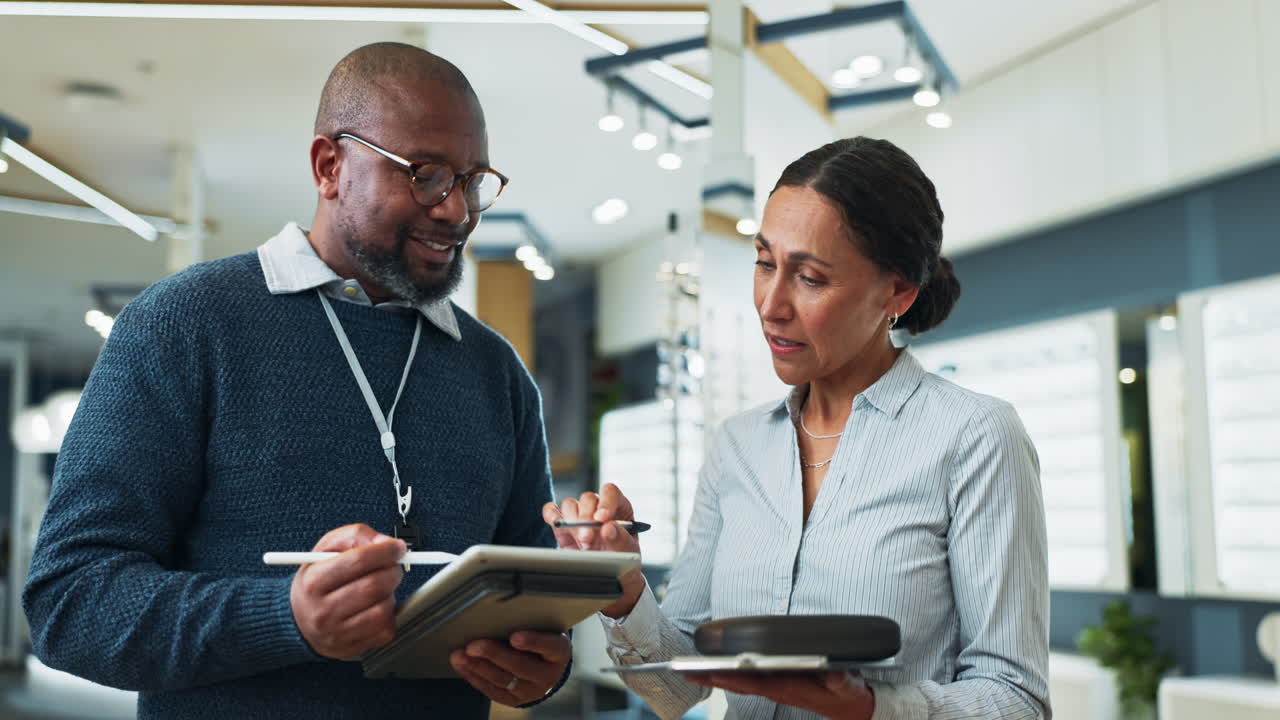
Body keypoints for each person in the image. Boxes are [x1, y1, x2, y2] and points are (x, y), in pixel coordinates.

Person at [23, 42, 570, 719]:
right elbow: (69, 602)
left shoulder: (497, 374)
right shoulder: (183, 326)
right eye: (426, 174)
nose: (456, 210)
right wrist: (285, 617)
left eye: (472, 179)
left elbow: (533, 605)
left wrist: (541, 665)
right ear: (329, 166)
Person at [545, 137, 1050, 719]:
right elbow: (677, 687)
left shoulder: (975, 437)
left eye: (809, 278)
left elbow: (1017, 702)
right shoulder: (738, 447)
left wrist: (868, 708)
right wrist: (622, 585)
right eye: (764, 264)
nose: (770, 304)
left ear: (897, 292)